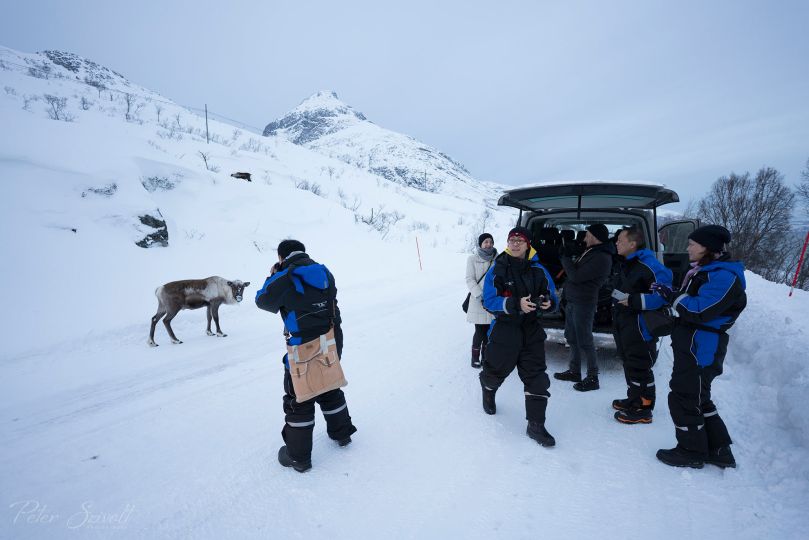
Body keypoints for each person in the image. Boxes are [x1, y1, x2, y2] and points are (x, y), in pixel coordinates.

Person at [255, 239, 357, 473]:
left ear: (281, 257)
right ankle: (342, 435)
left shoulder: (285, 275)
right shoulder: (323, 271)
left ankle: (298, 457)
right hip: (330, 339)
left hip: (301, 346)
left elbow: (262, 300)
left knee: (299, 397)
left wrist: (274, 274)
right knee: (329, 384)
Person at [651, 225, 746, 469]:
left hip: (702, 345)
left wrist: (672, 296)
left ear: (707, 247)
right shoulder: (706, 271)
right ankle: (718, 450)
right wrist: (672, 293)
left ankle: (691, 451)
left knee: (684, 396)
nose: (687, 248)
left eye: (692, 244)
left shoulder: (724, 276)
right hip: (694, 342)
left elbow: (699, 310)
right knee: (698, 397)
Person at [480, 226, 559, 447]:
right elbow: (488, 300)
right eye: (511, 240)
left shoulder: (540, 270)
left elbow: (553, 297)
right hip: (504, 329)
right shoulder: (497, 269)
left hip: (531, 329)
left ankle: (536, 425)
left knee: (536, 376)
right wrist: (515, 304)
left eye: (520, 240)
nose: (515, 243)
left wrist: (548, 303)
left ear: (528, 245)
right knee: (495, 370)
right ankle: (488, 391)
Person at [611, 226, 673, 424]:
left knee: (640, 365)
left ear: (632, 243)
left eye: (620, 240)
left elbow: (663, 296)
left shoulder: (650, 266)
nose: (616, 243)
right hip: (624, 321)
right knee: (629, 362)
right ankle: (634, 398)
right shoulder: (628, 263)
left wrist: (634, 301)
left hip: (640, 324)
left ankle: (644, 408)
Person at [553, 223, 614, 391]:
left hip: (584, 303)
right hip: (574, 300)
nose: (585, 237)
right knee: (571, 336)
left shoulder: (602, 257)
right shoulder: (593, 252)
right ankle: (574, 371)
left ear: (594, 236)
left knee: (585, 339)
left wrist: (565, 258)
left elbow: (576, 275)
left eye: (587, 234)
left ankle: (593, 377)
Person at [466, 233, 497, 368]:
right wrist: (479, 295)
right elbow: (469, 279)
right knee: (479, 331)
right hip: (478, 300)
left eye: (490, 242)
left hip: (492, 300)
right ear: (480, 244)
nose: (488, 244)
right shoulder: (472, 259)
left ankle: (485, 357)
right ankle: (474, 358)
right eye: (485, 242)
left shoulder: (498, 258)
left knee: (489, 331)